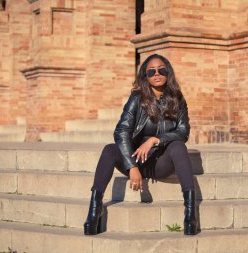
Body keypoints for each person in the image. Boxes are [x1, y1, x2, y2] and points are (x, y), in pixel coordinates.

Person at [84, 54, 198, 236]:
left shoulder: (177, 99)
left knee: (178, 146)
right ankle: (94, 211)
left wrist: (155, 139)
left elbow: (183, 132)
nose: (157, 74)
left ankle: (190, 214)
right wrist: (131, 166)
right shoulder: (137, 99)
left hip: (161, 163)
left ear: (168, 72)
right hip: (137, 161)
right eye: (151, 71)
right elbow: (121, 131)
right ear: (145, 76)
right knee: (109, 150)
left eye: (161, 69)